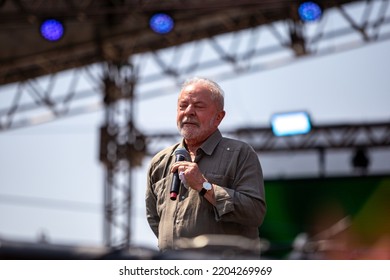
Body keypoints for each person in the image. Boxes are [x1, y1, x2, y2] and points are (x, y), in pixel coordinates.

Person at [145, 77, 266, 257]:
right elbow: (155, 219)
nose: (189, 112)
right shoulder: (160, 162)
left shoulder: (240, 153)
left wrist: (204, 186)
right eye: (182, 105)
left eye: (198, 106)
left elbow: (254, 212)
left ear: (219, 117)